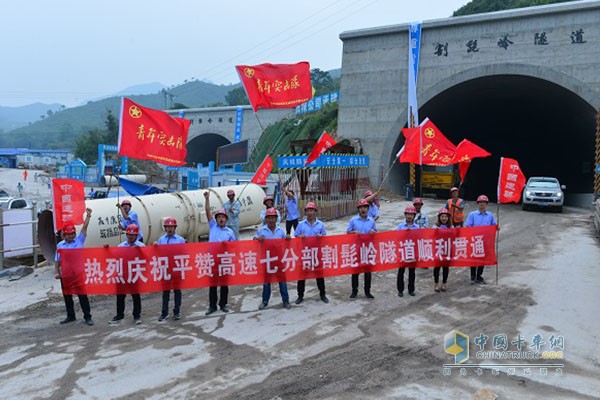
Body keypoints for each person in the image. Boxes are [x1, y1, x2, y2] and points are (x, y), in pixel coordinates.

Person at [54, 208, 94, 326]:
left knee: (82, 296)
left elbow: (84, 228)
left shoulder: (79, 241)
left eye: (72, 234)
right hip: (66, 275)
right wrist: (57, 272)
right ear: (64, 235)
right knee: (67, 296)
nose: (71, 236)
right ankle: (70, 315)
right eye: (68, 234)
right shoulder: (60, 245)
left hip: (78, 274)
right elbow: (57, 260)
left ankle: (87, 316)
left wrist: (88, 216)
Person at [204, 191, 236, 315]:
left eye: (223, 217)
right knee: (212, 284)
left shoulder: (230, 232)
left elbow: (234, 247)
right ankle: (212, 306)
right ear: (216, 220)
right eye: (219, 217)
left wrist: (228, 246)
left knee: (224, 284)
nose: (221, 219)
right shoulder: (212, 227)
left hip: (224, 260)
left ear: (226, 219)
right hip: (213, 260)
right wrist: (207, 199)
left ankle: (223, 304)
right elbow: (207, 213)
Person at [255, 208, 292, 310]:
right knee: (267, 282)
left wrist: (288, 238)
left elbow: (286, 241)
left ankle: (286, 300)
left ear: (276, 219)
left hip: (279, 260)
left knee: (282, 281)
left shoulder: (280, 231)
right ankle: (265, 301)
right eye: (269, 218)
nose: (271, 220)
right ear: (266, 219)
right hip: (267, 260)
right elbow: (253, 240)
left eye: (273, 218)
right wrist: (258, 239)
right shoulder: (262, 230)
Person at [293, 202, 328, 304]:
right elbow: (295, 236)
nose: (309, 213)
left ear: (315, 212)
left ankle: (322, 294)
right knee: (302, 276)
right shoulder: (300, 225)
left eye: (311, 210)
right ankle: (300, 296)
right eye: (308, 210)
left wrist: (321, 236)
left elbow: (325, 237)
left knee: (319, 275)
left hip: (317, 254)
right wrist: (300, 237)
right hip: (305, 253)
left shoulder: (320, 224)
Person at [109, 224, 144, 325]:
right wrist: (107, 250)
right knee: (120, 296)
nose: (130, 237)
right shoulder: (121, 246)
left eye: (133, 235)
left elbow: (147, 258)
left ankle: (136, 316)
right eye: (129, 234)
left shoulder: (141, 246)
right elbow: (115, 258)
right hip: (122, 274)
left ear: (137, 235)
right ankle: (119, 315)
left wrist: (140, 251)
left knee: (135, 296)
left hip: (135, 274)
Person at [156, 217, 186, 322]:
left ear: (175, 228)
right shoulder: (161, 240)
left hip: (176, 269)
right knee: (166, 292)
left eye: (171, 227)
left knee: (177, 291)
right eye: (168, 227)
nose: (170, 229)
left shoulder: (180, 240)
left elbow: (185, 254)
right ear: (165, 228)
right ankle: (164, 313)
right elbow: (158, 254)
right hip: (165, 269)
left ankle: (177, 311)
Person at [347, 199, 377, 299]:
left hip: (367, 250)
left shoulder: (371, 221)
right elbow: (347, 233)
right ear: (358, 209)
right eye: (361, 208)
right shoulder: (353, 220)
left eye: (365, 207)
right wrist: (354, 232)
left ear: (368, 209)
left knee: (367, 272)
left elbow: (376, 234)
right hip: (356, 249)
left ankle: (367, 291)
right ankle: (354, 291)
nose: (363, 209)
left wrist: (373, 232)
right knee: (355, 271)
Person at [465, 194, 498, 285]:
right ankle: (472, 276)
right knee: (474, 258)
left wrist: (496, 228)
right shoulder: (473, 214)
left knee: (482, 259)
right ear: (478, 204)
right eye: (480, 202)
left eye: (484, 202)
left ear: (486, 204)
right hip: (475, 240)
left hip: (485, 241)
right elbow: (468, 226)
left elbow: (493, 225)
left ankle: (479, 276)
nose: (482, 204)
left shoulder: (490, 215)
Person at [396, 205, 419, 297]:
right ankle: (400, 290)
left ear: (414, 216)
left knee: (412, 272)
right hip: (402, 252)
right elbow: (396, 238)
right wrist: (404, 232)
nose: (409, 216)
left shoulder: (417, 227)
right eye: (408, 214)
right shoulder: (400, 226)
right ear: (405, 215)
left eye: (411, 214)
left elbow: (419, 239)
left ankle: (411, 289)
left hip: (412, 252)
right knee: (401, 271)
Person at [433, 208, 452, 292]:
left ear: (448, 218)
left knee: (445, 267)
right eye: (442, 216)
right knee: (437, 267)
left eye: (445, 216)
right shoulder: (435, 226)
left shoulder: (451, 227)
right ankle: (436, 283)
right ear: (439, 217)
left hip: (447, 250)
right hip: (438, 249)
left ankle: (444, 283)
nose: (444, 218)